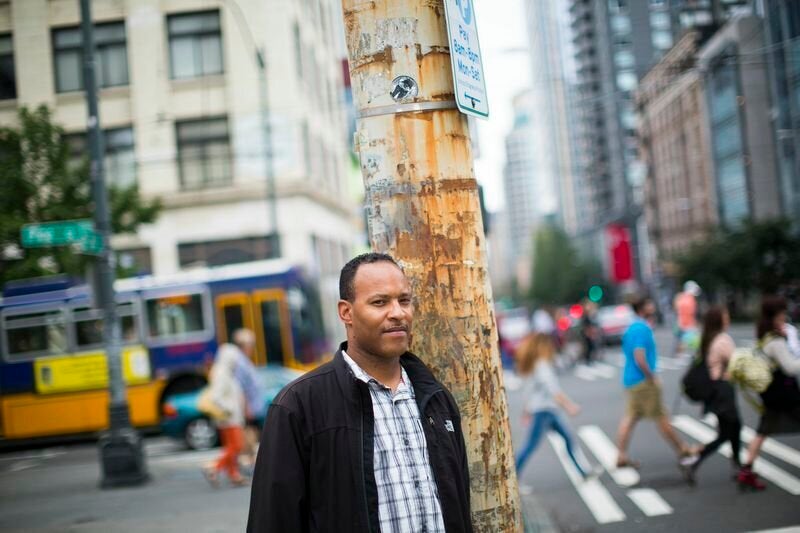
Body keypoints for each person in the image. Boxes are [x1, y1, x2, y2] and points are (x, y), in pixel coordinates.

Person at [247, 253, 472, 533]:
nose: (398, 313)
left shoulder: (436, 399)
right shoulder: (299, 405)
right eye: (380, 302)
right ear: (346, 312)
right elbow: (273, 521)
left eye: (404, 300)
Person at [615, 297, 694, 470]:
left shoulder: (632, 327)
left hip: (631, 380)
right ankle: (682, 449)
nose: (652, 307)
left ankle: (621, 455)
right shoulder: (641, 328)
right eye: (649, 304)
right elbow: (639, 356)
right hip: (643, 382)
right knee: (661, 417)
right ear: (642, 308)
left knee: (631, 417)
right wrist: (651, 376)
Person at [514, 332, 595, 481]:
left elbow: (528, 391)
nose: (552, 348)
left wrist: (526, 411)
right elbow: (554, 391)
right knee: (530, 446)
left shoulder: (533, 364)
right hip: (543, 411)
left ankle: (582, 472)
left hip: (545, 410)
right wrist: (570, 406)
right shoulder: (542, 365)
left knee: (567, 439)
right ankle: (512, 476)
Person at [740, 296, 800, 490]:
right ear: (775, 315)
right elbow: (790, 367)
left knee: (762, 431)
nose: (785, 315)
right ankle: (746, 471)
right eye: (783, 312)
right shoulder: (776, 341)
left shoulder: (765, 336)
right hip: (784, 394)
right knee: (763, 430)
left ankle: (746, 470)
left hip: (771, 393)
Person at [680, 306, 742, 485]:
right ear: (719, 320)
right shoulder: (722, 339)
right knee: (729, 430)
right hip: (723, 390)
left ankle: (737, 467)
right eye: (726, 316)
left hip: (716, 393)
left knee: (731, 430)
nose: (728, 318)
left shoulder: (709, 339)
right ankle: (697, 463)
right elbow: (736, 362)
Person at [202, 343, 248, 487]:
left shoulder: (224, 370)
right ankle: (213, 467)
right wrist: (230, 409)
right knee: (236, 446)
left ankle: (234, 475)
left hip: (227, 416)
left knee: (230, 447)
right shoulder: (222, 372)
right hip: (229, 417)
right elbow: (217, 396)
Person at [231, 328, 266, 469]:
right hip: (249, 407)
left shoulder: (244, 360)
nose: (252, 348)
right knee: (249, 433)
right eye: (250, 344)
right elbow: (241, 388)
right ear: (244, 345)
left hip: (253, 406)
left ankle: (250, 461)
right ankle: (248, 461)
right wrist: (247, 408)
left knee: (252, 433)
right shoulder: (240, 362)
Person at [673, 281, 701, 357]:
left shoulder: (679, 297)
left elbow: (676, 309)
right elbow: (691, 313)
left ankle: (678, 355)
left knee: (681, 341)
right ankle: (698, 357)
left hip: (679, 322)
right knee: (695, 342)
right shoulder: (691, 300)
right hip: (687, 324)